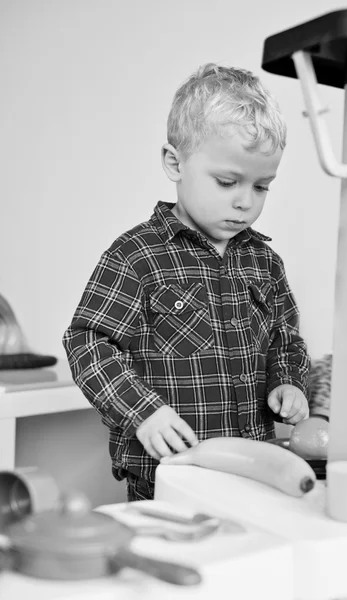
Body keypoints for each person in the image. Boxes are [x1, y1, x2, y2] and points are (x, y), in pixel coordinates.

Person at [63, 63, 311, 501]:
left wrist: (286, 382)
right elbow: (88, 344)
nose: (244, 202)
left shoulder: (265, 263)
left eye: (262, 187)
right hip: (168, 478)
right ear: (175, 163)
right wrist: (144, 413)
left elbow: (284, 339)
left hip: (252, 471)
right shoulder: (137, 255)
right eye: (227, 181)